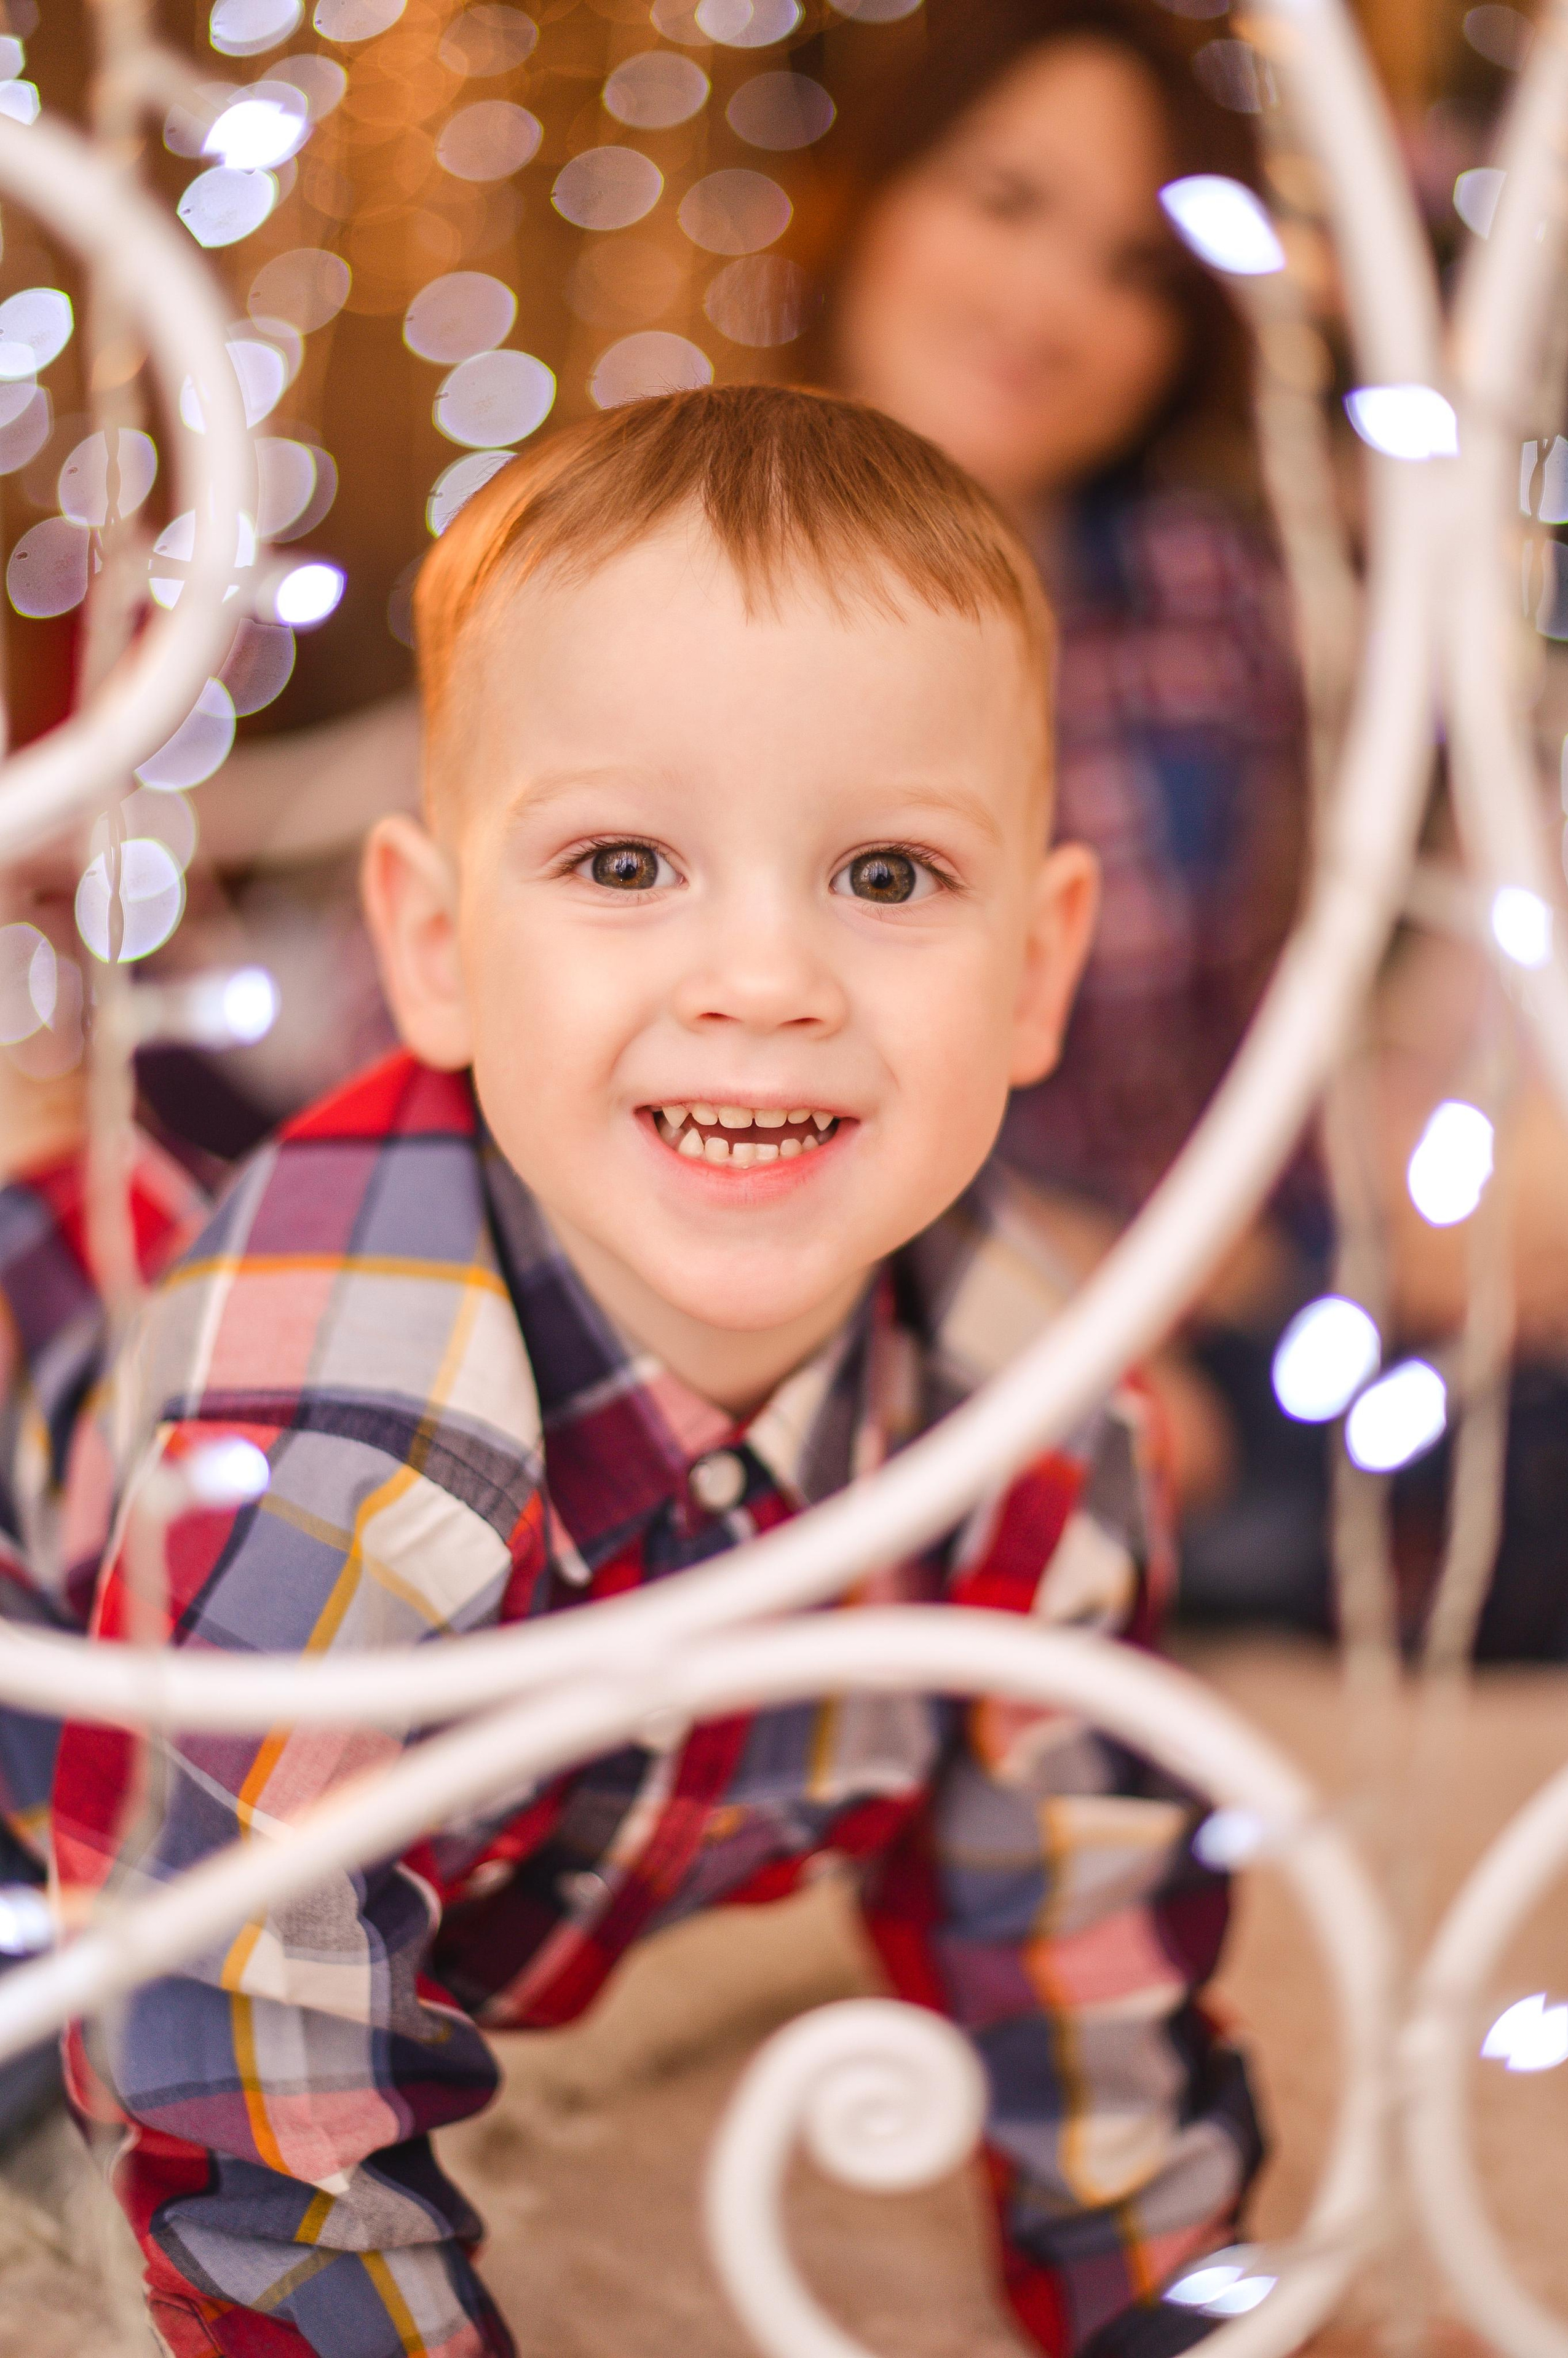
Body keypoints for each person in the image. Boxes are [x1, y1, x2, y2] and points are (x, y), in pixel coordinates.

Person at [10, 387, 1263, 2356]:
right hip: (71, 1740)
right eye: (620, 864)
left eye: (885, 878)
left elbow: (1079, 1907)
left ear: (1038, 964)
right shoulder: (331, 1454)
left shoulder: (1028, 1405)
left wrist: (1181, 2309)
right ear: (433, 944)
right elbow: (232, 2050)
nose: (761, 980)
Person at [788, 0, 1315, 1571]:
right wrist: (1027, 1285)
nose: (1048, 304)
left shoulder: (1209, 596)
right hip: (817, 1287)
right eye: (1004, 201)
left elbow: (1268, 1024)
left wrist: (1238, 1249)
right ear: (877, 192)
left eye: (1134, 269)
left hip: (1184, 1293)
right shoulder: (660, 566)